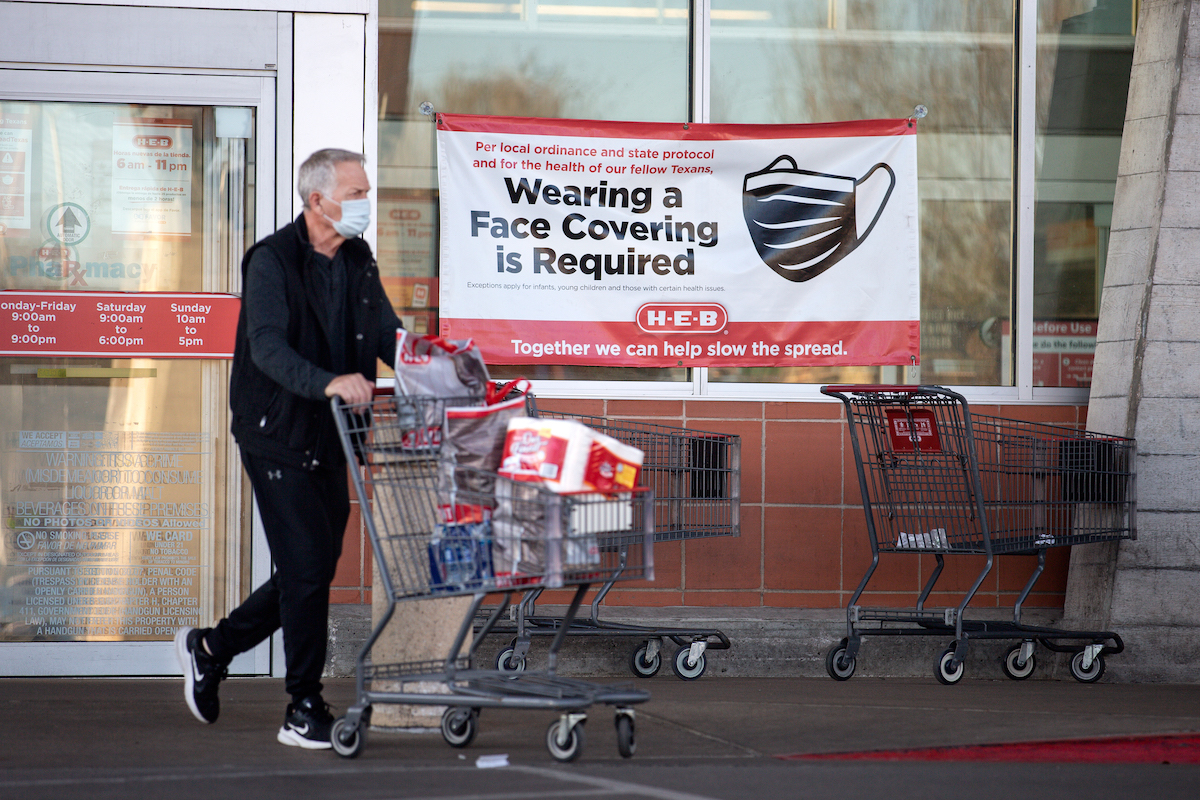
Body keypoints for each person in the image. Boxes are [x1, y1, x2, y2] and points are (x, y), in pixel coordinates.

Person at [174, 148, 402, 749]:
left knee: (312, 568)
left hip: (334, 437)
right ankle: (303, 706)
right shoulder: (271, 260)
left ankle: (212, 647)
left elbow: (386, 335)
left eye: (366, 192)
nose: (364, 204)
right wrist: (329, 380)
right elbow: (267, 347)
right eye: (355, 193)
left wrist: (438, 365)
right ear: (317, 200)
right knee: (306, 568)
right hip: (276, 434)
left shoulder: (357, 259)